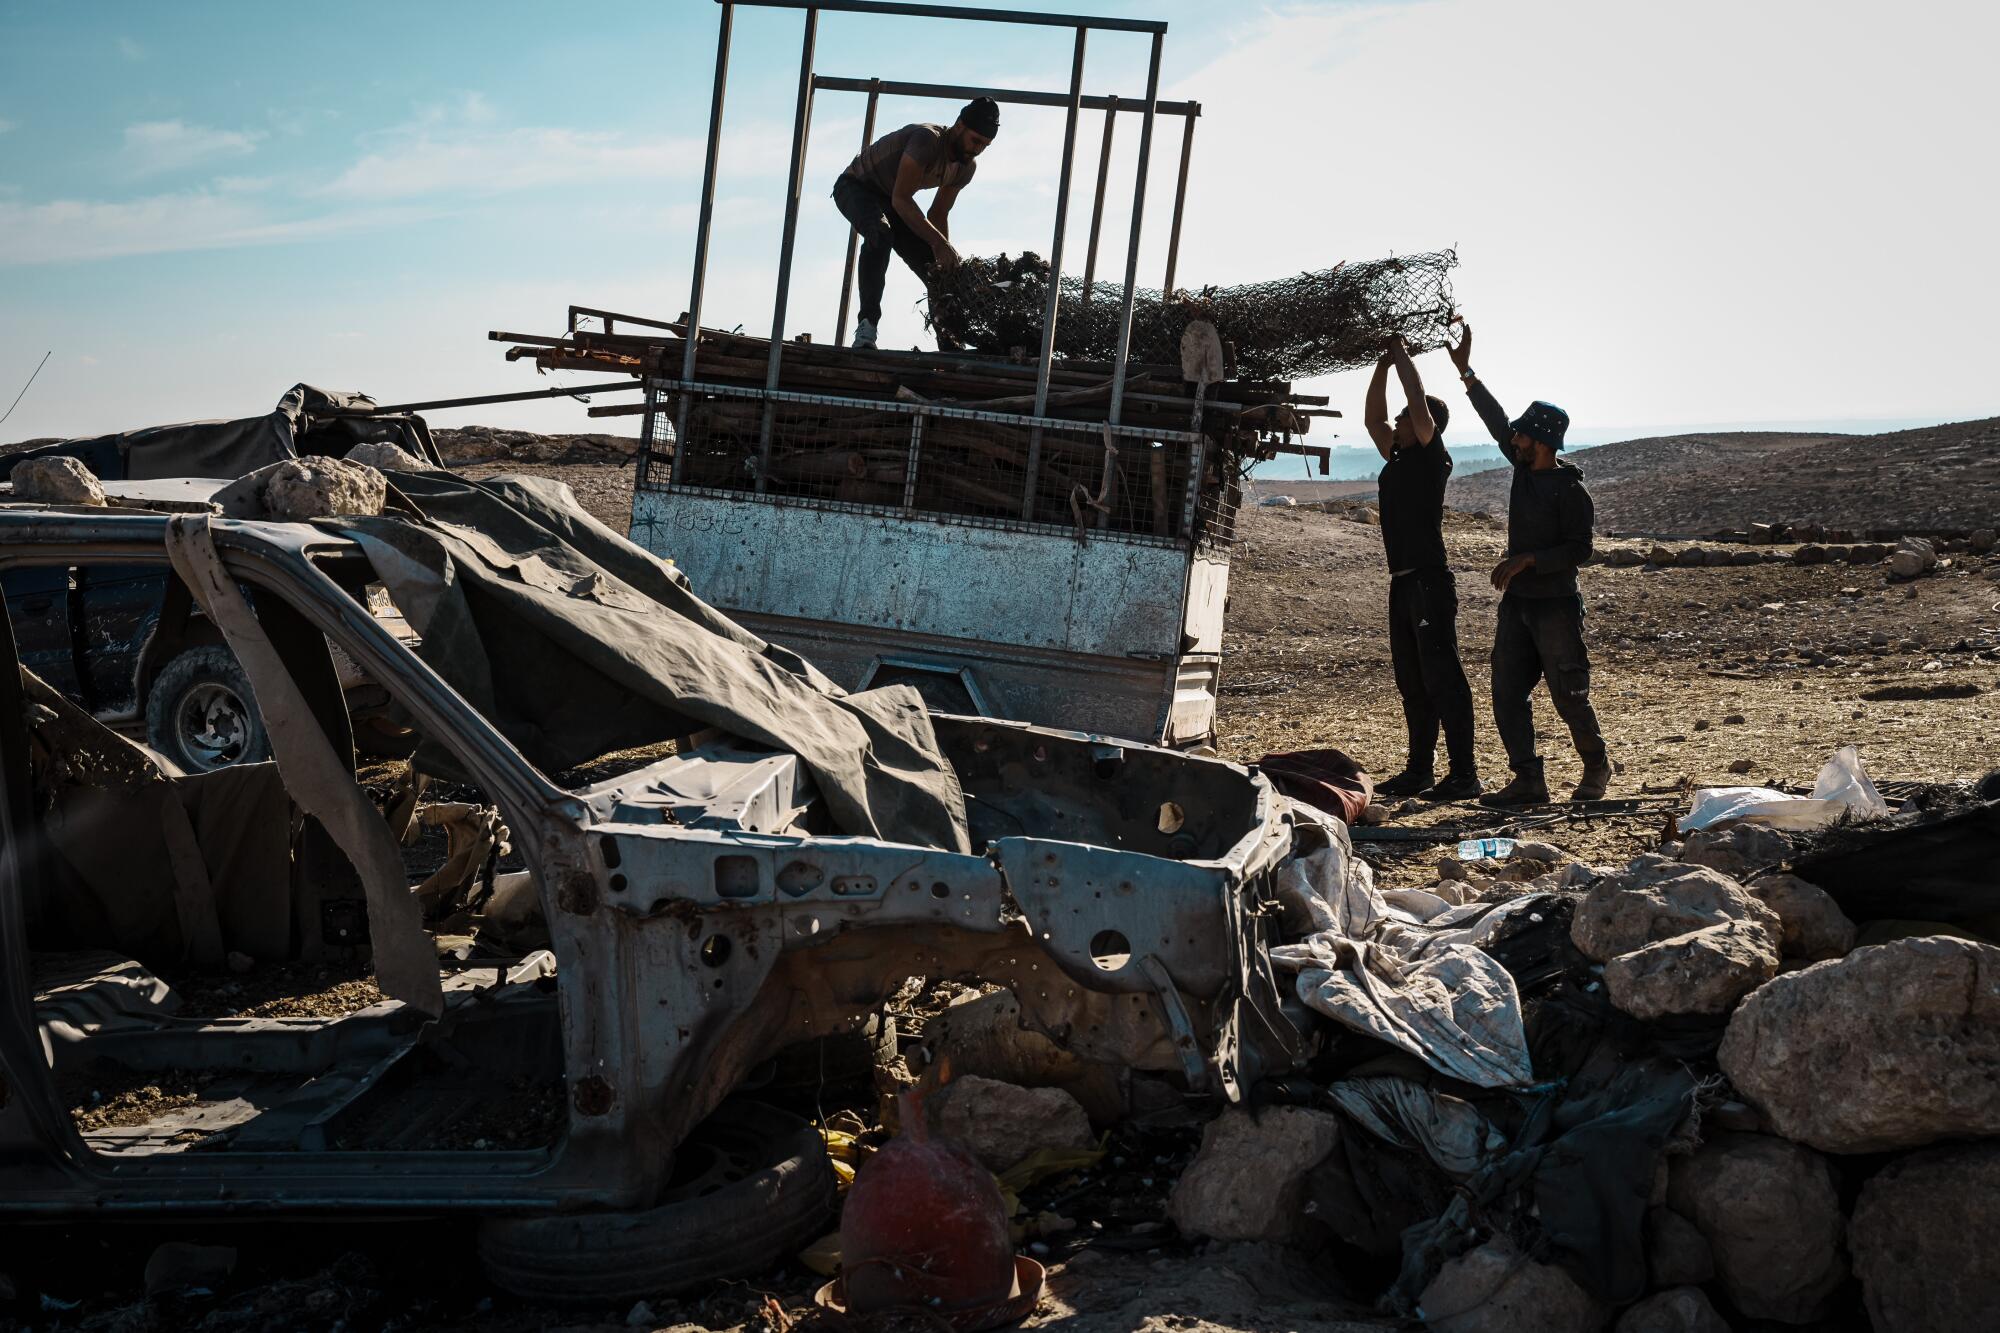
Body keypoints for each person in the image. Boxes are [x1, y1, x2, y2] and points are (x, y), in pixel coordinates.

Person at [1447, 321, 1612, 805]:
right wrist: (1466, 373)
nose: (1513, 440)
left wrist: (1528, 560)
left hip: (1555, 605)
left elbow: (1580, 549)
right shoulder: (1522, 469)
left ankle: (1596, 767)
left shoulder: (1570, 491)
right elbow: (1495, 419)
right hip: (1518, 606)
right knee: (1506, 691)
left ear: (1540, 442)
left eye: (1521, 436)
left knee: (1568, 694)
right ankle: (1528, 779)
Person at [1363, 334, 1482, 801]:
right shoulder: (1396, 456)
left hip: (1430, 580)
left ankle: (1464, 774)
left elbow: (1416, 403)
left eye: (1404, 420)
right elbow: (1373, 417)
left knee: (1443, 678)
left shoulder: (1434, 454)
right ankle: (1420, 771)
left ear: (1420, 424)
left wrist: (1400, 356)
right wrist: (1380, 367)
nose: (1395, 423)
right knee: (1412, 680)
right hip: (1402, 584)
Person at [833, 97, 999, 350]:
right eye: (975, 141)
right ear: (959, 126)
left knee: (936, 269)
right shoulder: (927, 140)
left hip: (894, 200)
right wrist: (939, 243)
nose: (977, 149)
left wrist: (943, 254)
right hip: (857, 187)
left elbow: (938, 214)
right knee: (880, 233)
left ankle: (949, 341)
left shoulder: (966, 168)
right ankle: (867, 328)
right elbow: (902, 199)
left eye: (985, 146)